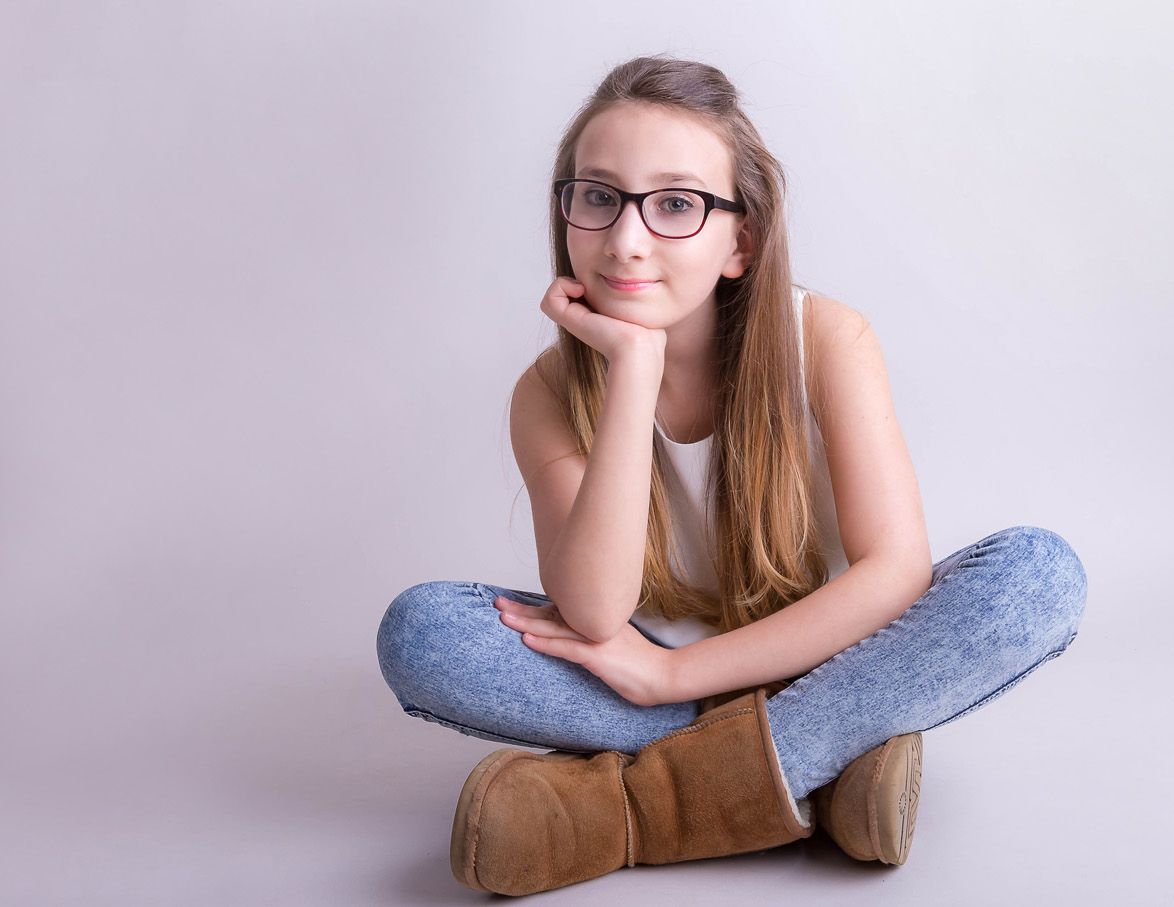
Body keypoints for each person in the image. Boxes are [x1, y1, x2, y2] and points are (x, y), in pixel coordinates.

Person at [375, 54, 1088, 897]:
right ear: (566, 212)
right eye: (598, 196)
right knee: (421, 631)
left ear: (739, 241)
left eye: (675, 204)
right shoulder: (547, 393)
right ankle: (821, 765)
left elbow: (893, 570)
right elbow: (597, 610)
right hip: (636, 673)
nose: (627, 238)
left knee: (1037, 575)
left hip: (818, 654)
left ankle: (632, 810)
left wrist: (677, 678)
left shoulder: (824, 339)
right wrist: (632, 369)